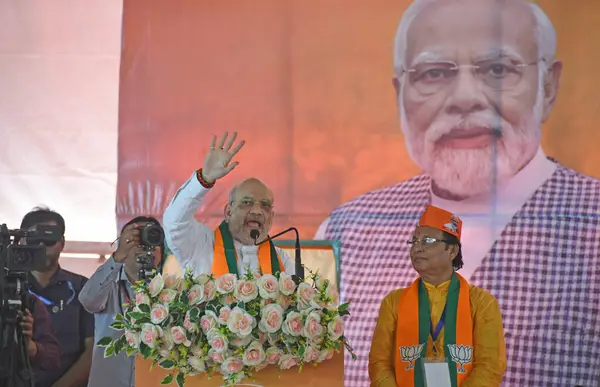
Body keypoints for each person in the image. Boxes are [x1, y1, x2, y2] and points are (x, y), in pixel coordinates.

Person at [315, 0, 600, 385]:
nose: (466, 97)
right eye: (434, 74)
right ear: (401, 94)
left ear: (547, 88)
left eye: (498, 70)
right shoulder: (344, 232)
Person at [369, 206, 506, 386]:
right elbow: (379, 364)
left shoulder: (481, 302)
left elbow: (490, 366)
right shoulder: (394, 302)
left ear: (452, 251)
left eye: (427, 240)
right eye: (414, 241)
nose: (417, 248)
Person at [163, 132, 294, 277]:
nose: (257, 211)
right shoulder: (201, 245)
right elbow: (174, 223)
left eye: (265, 205)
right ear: (228, 212)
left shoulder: (282, 260)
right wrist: (203, 180)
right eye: (246, 202)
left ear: (272, 216)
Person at [78, 217, 166, 387]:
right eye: (137, 240)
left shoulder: (170, 290)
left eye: (152, 239)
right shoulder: (107, 283)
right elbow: (88, 301)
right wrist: (118, 256)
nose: (146, 247)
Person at [20, 207, 94, 387]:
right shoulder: (7, 287)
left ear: (62, 242)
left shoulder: (82, 288)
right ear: (21, 240)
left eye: (49, 239)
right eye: (35, 238)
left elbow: (92, 350)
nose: (41, 246)